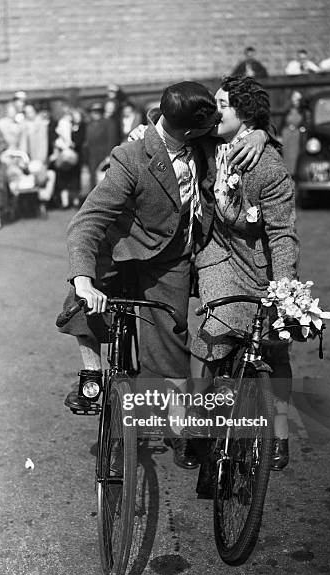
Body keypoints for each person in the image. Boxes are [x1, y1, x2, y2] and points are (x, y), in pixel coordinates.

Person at [59, 81, 268, 469]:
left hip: (170, 257)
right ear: (190, 128)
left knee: (171, 345)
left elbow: (236, 126)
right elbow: (86, 223)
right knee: (82, 301)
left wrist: (258, 134)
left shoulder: (199, 139)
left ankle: (173, 426)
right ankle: (91, 373)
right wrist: (84, 279)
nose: (217, 123)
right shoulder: (131, 157)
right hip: (120, 251)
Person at [190, 76, 299, 476]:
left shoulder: (266, 167)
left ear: (246, 114)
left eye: (223, 104)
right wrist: (258, 133)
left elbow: (282, 234)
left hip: (261, 261)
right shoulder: (208, 139)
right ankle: (202, 429)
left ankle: (279, 431)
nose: (213, 112)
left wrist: (284, 288)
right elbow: (165, 117)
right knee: (215, 334)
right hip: (219, 253)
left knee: (273, 348)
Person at [280, 90, 308, 177]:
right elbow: (281, 123)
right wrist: (280, 136)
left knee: (295, 156)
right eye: (294, 98)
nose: (295, 100)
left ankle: (295, 173)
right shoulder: (288, 110)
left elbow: (305, 124)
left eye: (297, 98)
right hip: (286, 136)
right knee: (286, 155)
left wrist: (299, 128)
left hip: (296, 136)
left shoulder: (303, 112)